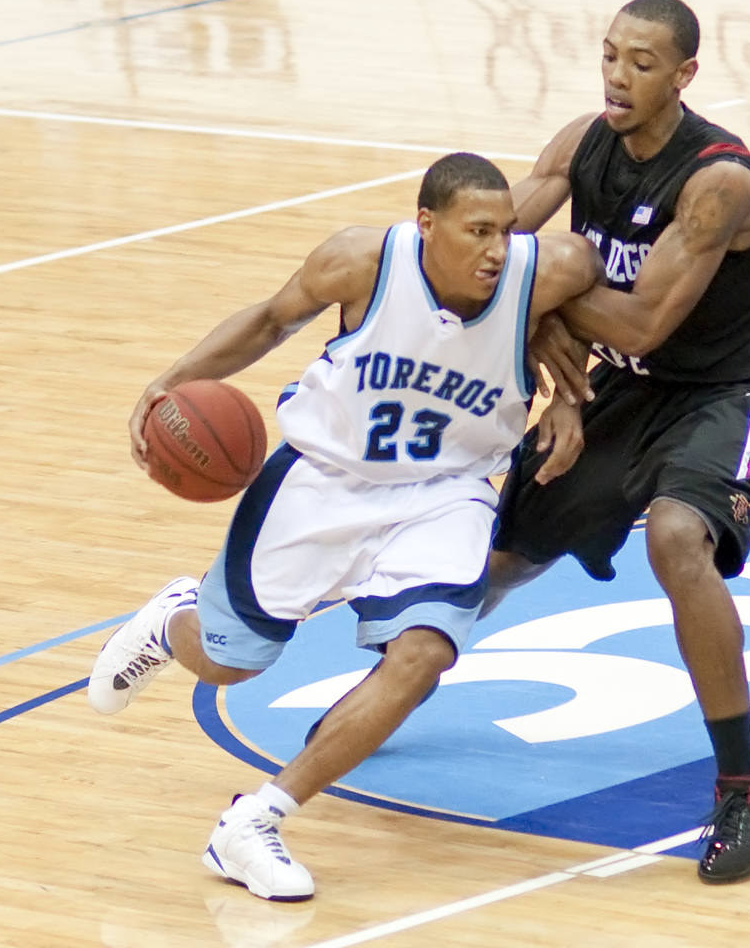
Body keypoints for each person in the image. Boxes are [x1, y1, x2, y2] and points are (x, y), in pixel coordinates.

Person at [87, 152, 602, 902]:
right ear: (425, 225)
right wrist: (169, 380)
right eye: (477, 231)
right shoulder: (362, 261)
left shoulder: (545, 270)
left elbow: (585, 278)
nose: (497, 248)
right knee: (233, 663)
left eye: (506, 230)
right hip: (322, 480)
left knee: (424, 653)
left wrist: (568, 396)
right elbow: (268, 320)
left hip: (444, 493)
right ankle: (173, 625)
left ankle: (255, 820)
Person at [485, 0, 750, 885]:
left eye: (639, 62)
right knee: (499, 557)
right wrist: (535, 297)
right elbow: (487, 245)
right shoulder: (580, 144)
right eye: (608, 55)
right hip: (636, 392)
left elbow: (637, 326)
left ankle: (744, 792)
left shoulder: (717, 181)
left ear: (683, 75)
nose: (616, 76)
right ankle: (390, 679)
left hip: (736, 388)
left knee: (676, 536)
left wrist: (549, 288)